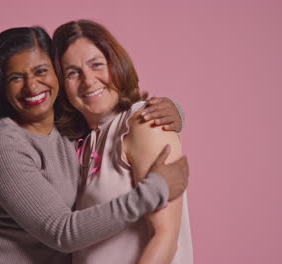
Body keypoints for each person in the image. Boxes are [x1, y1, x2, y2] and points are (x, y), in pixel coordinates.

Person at [0, 26, 188, 264]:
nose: (32, 87)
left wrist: (174, 111)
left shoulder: (71, 132)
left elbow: (167, 237)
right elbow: (61, 232)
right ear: (1, 86)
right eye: (16, 77)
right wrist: (152, 191)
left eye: (41, 71)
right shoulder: (3, 143)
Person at [53, 20, 193, 263]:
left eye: (97, 64)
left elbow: (166, 238)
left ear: (116, 64)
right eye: (72, 73)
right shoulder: (75, 143)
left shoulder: (144, 121)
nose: (88, 80)